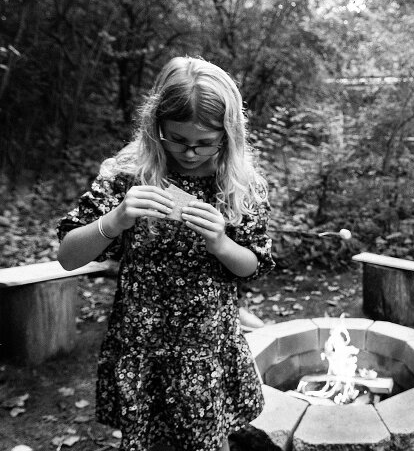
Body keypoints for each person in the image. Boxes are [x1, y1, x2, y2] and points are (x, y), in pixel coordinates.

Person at [57, 56, 274, 451]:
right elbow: (68, 256)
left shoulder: (239, 185)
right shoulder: (128, 175)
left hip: (206, 351)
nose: (189, 153)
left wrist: (221, 244)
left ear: (228, 135)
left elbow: (252, 266)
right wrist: (116, 219)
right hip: (142, 348)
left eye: (205, 143)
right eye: (177, 139)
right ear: (156, 126)